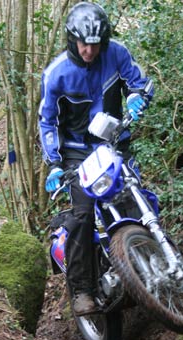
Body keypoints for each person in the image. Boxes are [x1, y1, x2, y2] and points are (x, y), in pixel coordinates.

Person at [38, 1, 154, 315]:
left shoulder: (116, 53)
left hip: (115, 141)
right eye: (84, 44)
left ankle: (153, 255)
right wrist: (54, 163)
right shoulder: (56, 74)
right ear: (71, 41)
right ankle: (82, 290)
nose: (90, 51)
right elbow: (47, 121)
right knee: (83, 213)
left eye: (95, 44)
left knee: (135, 195)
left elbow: (141, 81)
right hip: (78, 154)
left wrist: (136, 96)